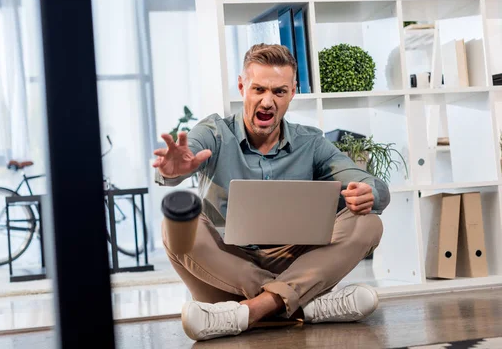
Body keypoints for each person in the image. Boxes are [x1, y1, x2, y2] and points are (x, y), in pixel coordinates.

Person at [152, 43, 389, 341]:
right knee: (174, 225)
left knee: (368, 222)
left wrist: (370, 192)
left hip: (293, 260)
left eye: (278, 92)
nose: (267, 102)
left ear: (292, 92)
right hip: (227, 266)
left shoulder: (311, 143)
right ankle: (304, 305)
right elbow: (183, 159)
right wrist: (172, 170)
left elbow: (371, 184)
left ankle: (249, 312)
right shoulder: (213, 132)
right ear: (242, 87)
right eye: (258, 89)